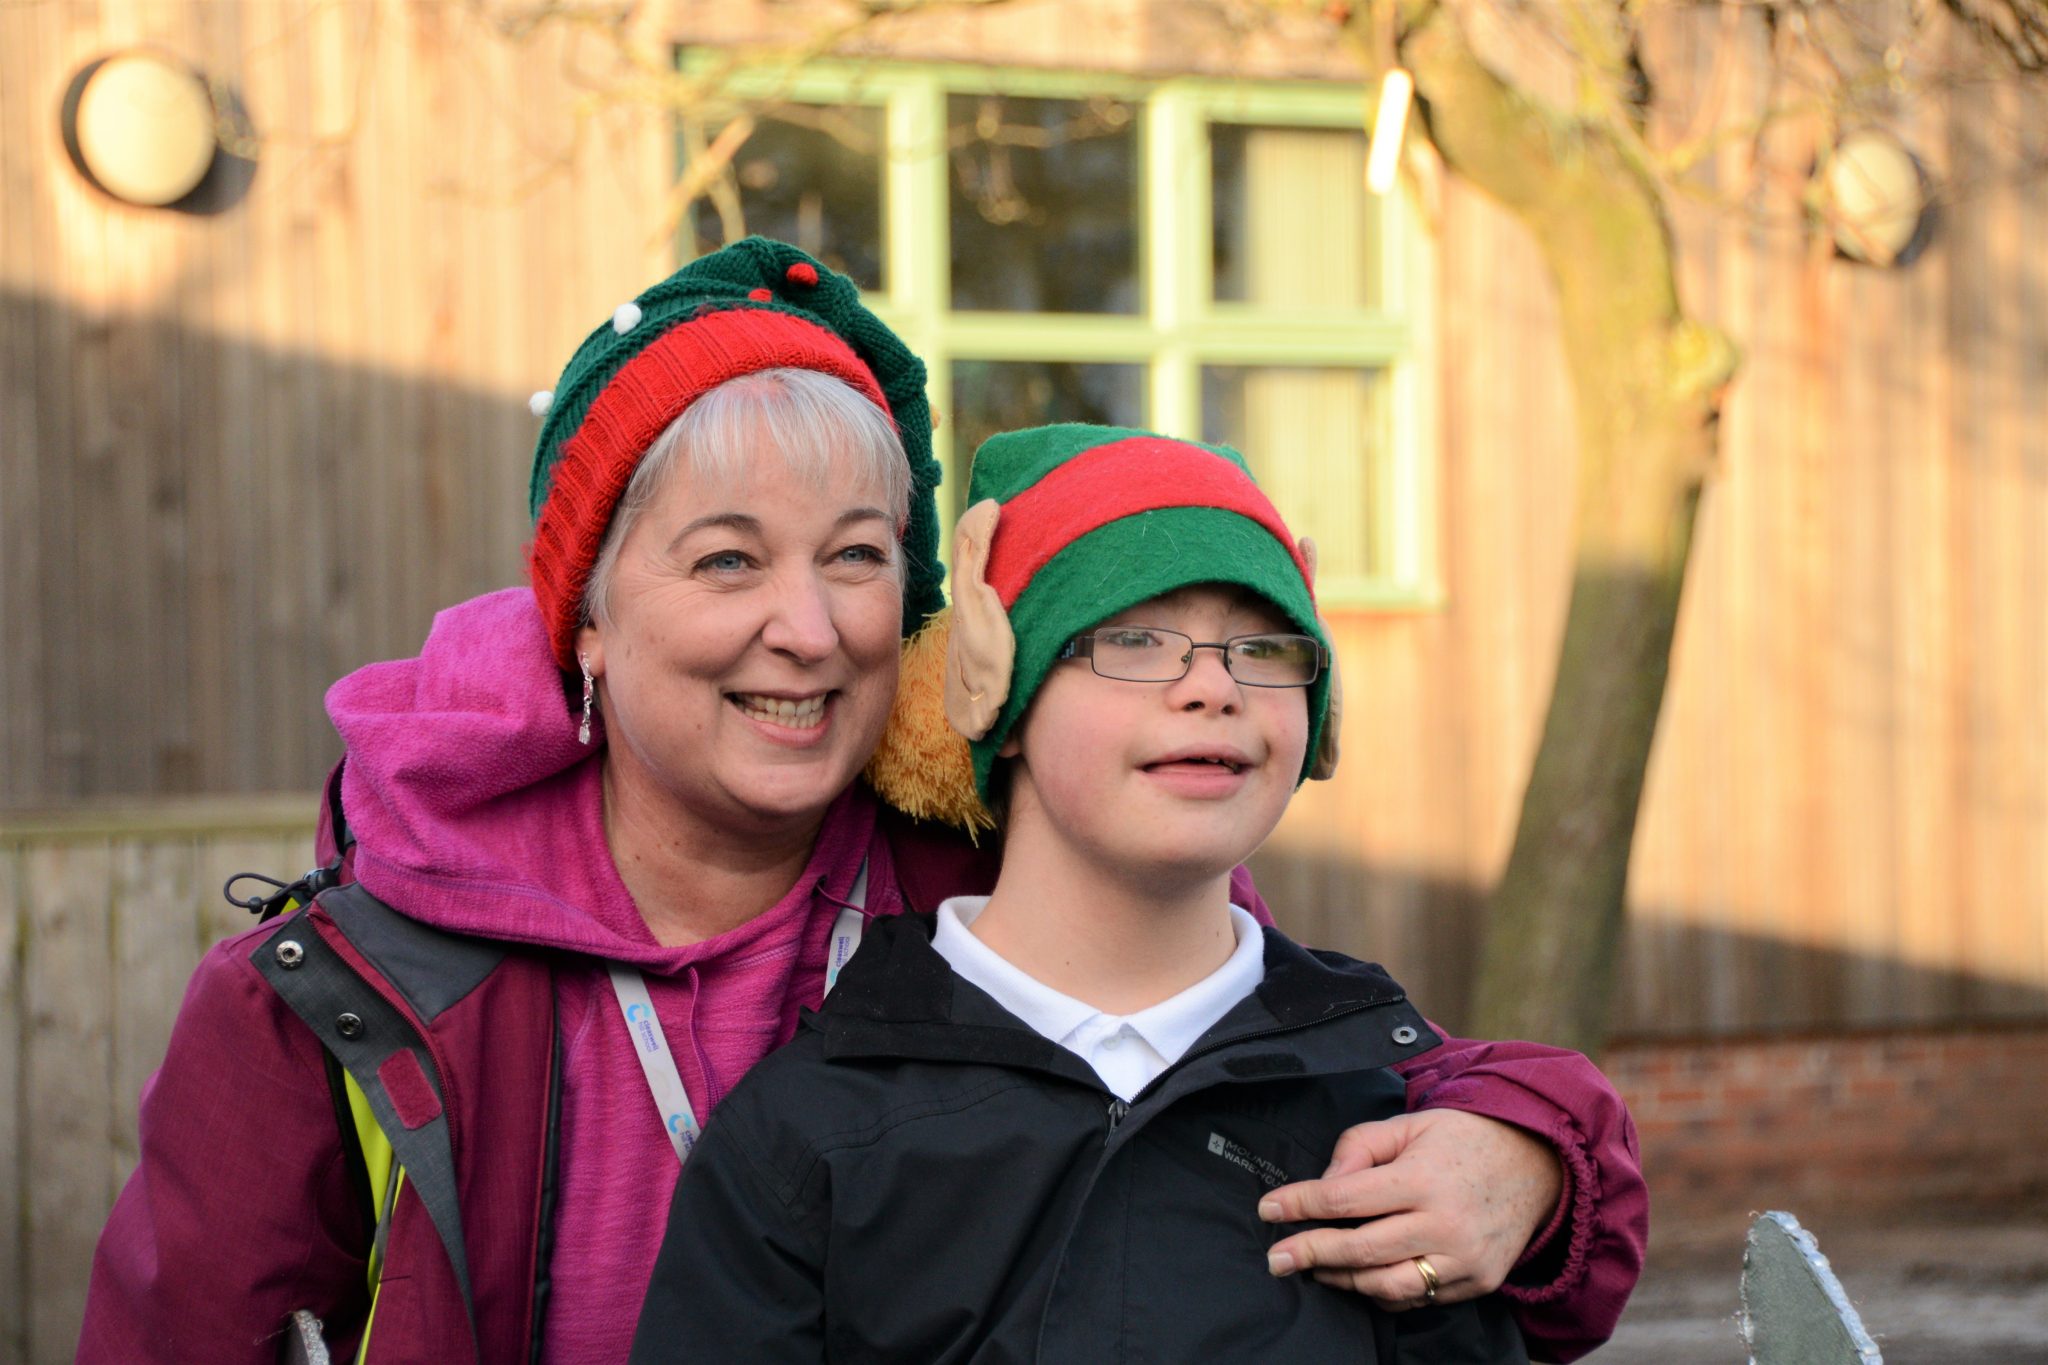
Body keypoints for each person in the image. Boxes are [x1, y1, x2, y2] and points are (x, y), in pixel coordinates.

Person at [80, 241, 1644, 1365]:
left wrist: (1528, 1156)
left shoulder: (1002, 882)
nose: (811, 628)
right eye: (727, 559)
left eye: (856, 556)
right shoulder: (346, 991)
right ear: (589, 622)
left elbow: (1298, 1050)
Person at [629, 424, 1638, 1363]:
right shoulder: (806, 1133)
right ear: (1000, 695)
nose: (1214, 688)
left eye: (1265, 646)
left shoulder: (1397, 1133)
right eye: (1134, 640)